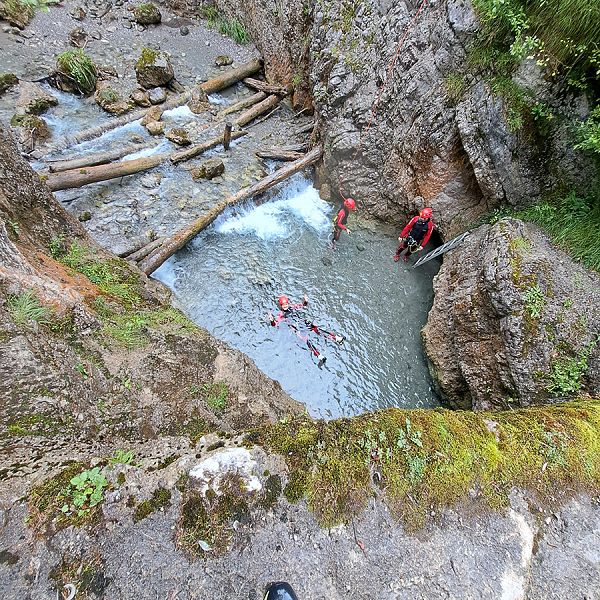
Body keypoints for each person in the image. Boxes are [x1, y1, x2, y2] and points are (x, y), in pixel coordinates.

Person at [267, 294, 344, 366]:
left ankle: (336, 338)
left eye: (286, 304)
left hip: (303, 323)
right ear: (281, 306)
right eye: (283, 305)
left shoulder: (292, 307)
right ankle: (319, 356)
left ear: (288, 303)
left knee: (318, 329)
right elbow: (275, 324)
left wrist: (305, 301)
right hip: (297, 329)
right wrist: (271, 320)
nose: (285, 306)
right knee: (308, 341)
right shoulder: (281, 314)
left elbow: (302, 305)